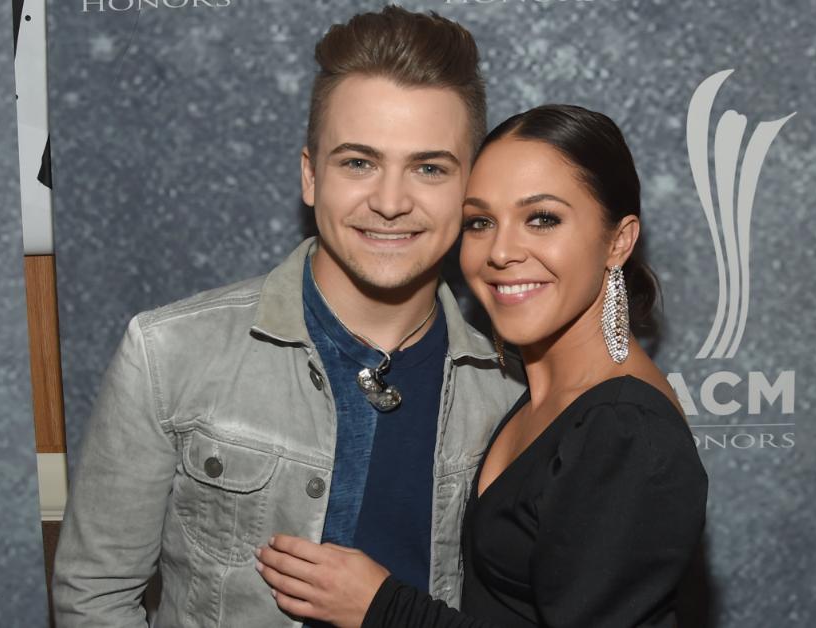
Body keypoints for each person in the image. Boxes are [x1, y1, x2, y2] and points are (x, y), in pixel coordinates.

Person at [51, 7, 524, 627]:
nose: (389, 202)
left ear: (470, 190)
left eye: (429, 168)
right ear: (309, 175)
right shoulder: (171, 351)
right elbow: (94, 595)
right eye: (358, 162)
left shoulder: (511, 387)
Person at [255, 105, 709, 628]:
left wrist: (382, 608)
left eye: (542, 219)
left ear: (619, 240)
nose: (501, 251)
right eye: (481, 222)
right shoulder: (538, 393)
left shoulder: (625, 429)